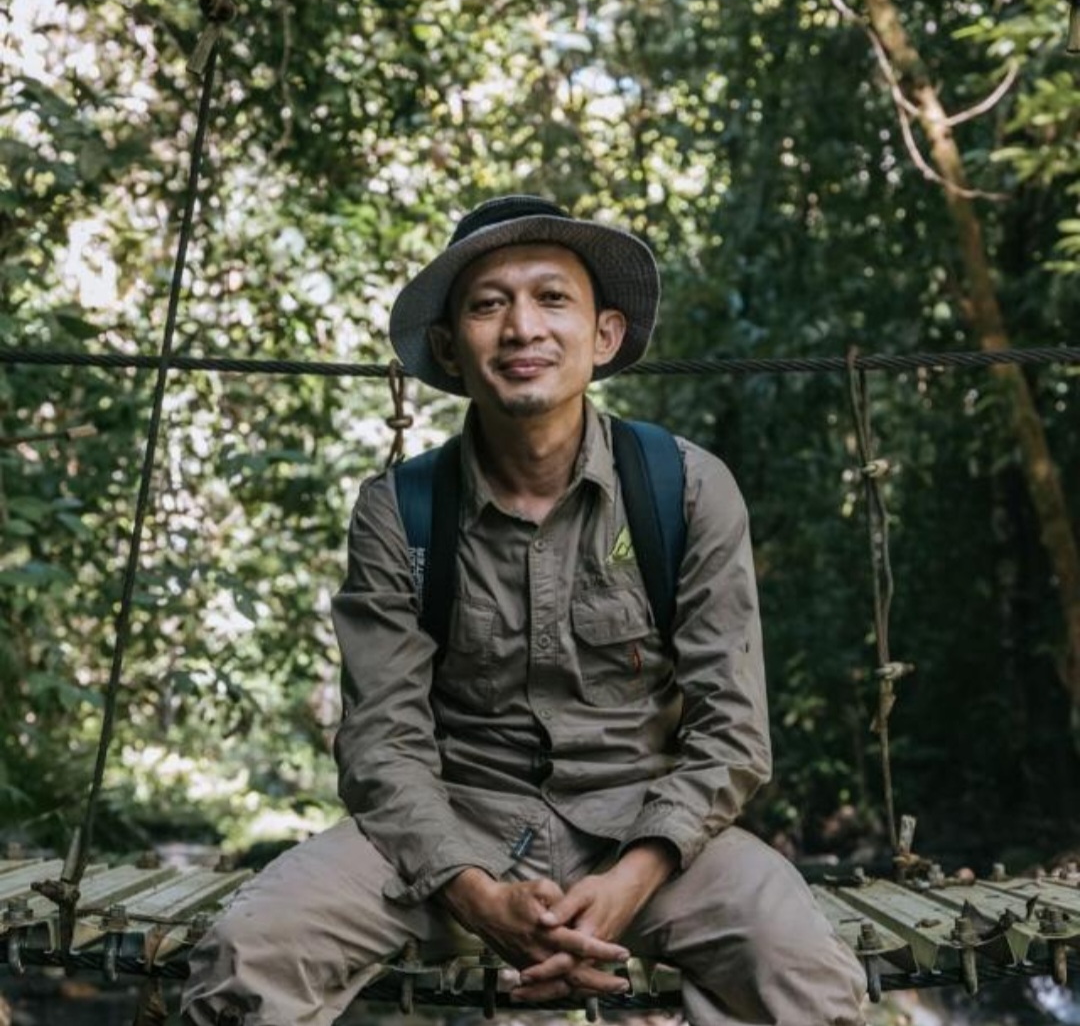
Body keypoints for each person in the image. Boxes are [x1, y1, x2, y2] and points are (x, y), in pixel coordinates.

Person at [182, 195, 867, 1026]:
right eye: (487, 305)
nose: (522, 328)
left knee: (804, 974)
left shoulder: (685, 489)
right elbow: (382, 741)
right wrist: (472, 891)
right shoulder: (401, 511)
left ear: (604, 334)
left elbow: (732, 731)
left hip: (649, 836)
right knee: (247, 956)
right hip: (450, 832)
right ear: (450, 347)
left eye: (552, 297)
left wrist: (631, 878)